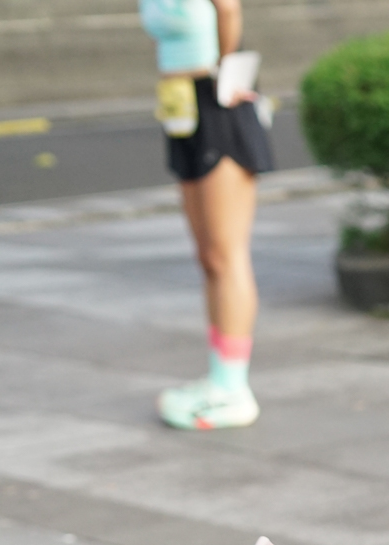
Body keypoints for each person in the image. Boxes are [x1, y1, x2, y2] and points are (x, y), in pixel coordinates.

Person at [140, 0, 273, 429]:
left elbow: (229, 9)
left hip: (218, 102)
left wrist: (225, 73)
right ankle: (220, 378)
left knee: (226, 253)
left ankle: (234, 389)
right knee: (208, 257)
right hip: (180, 106)